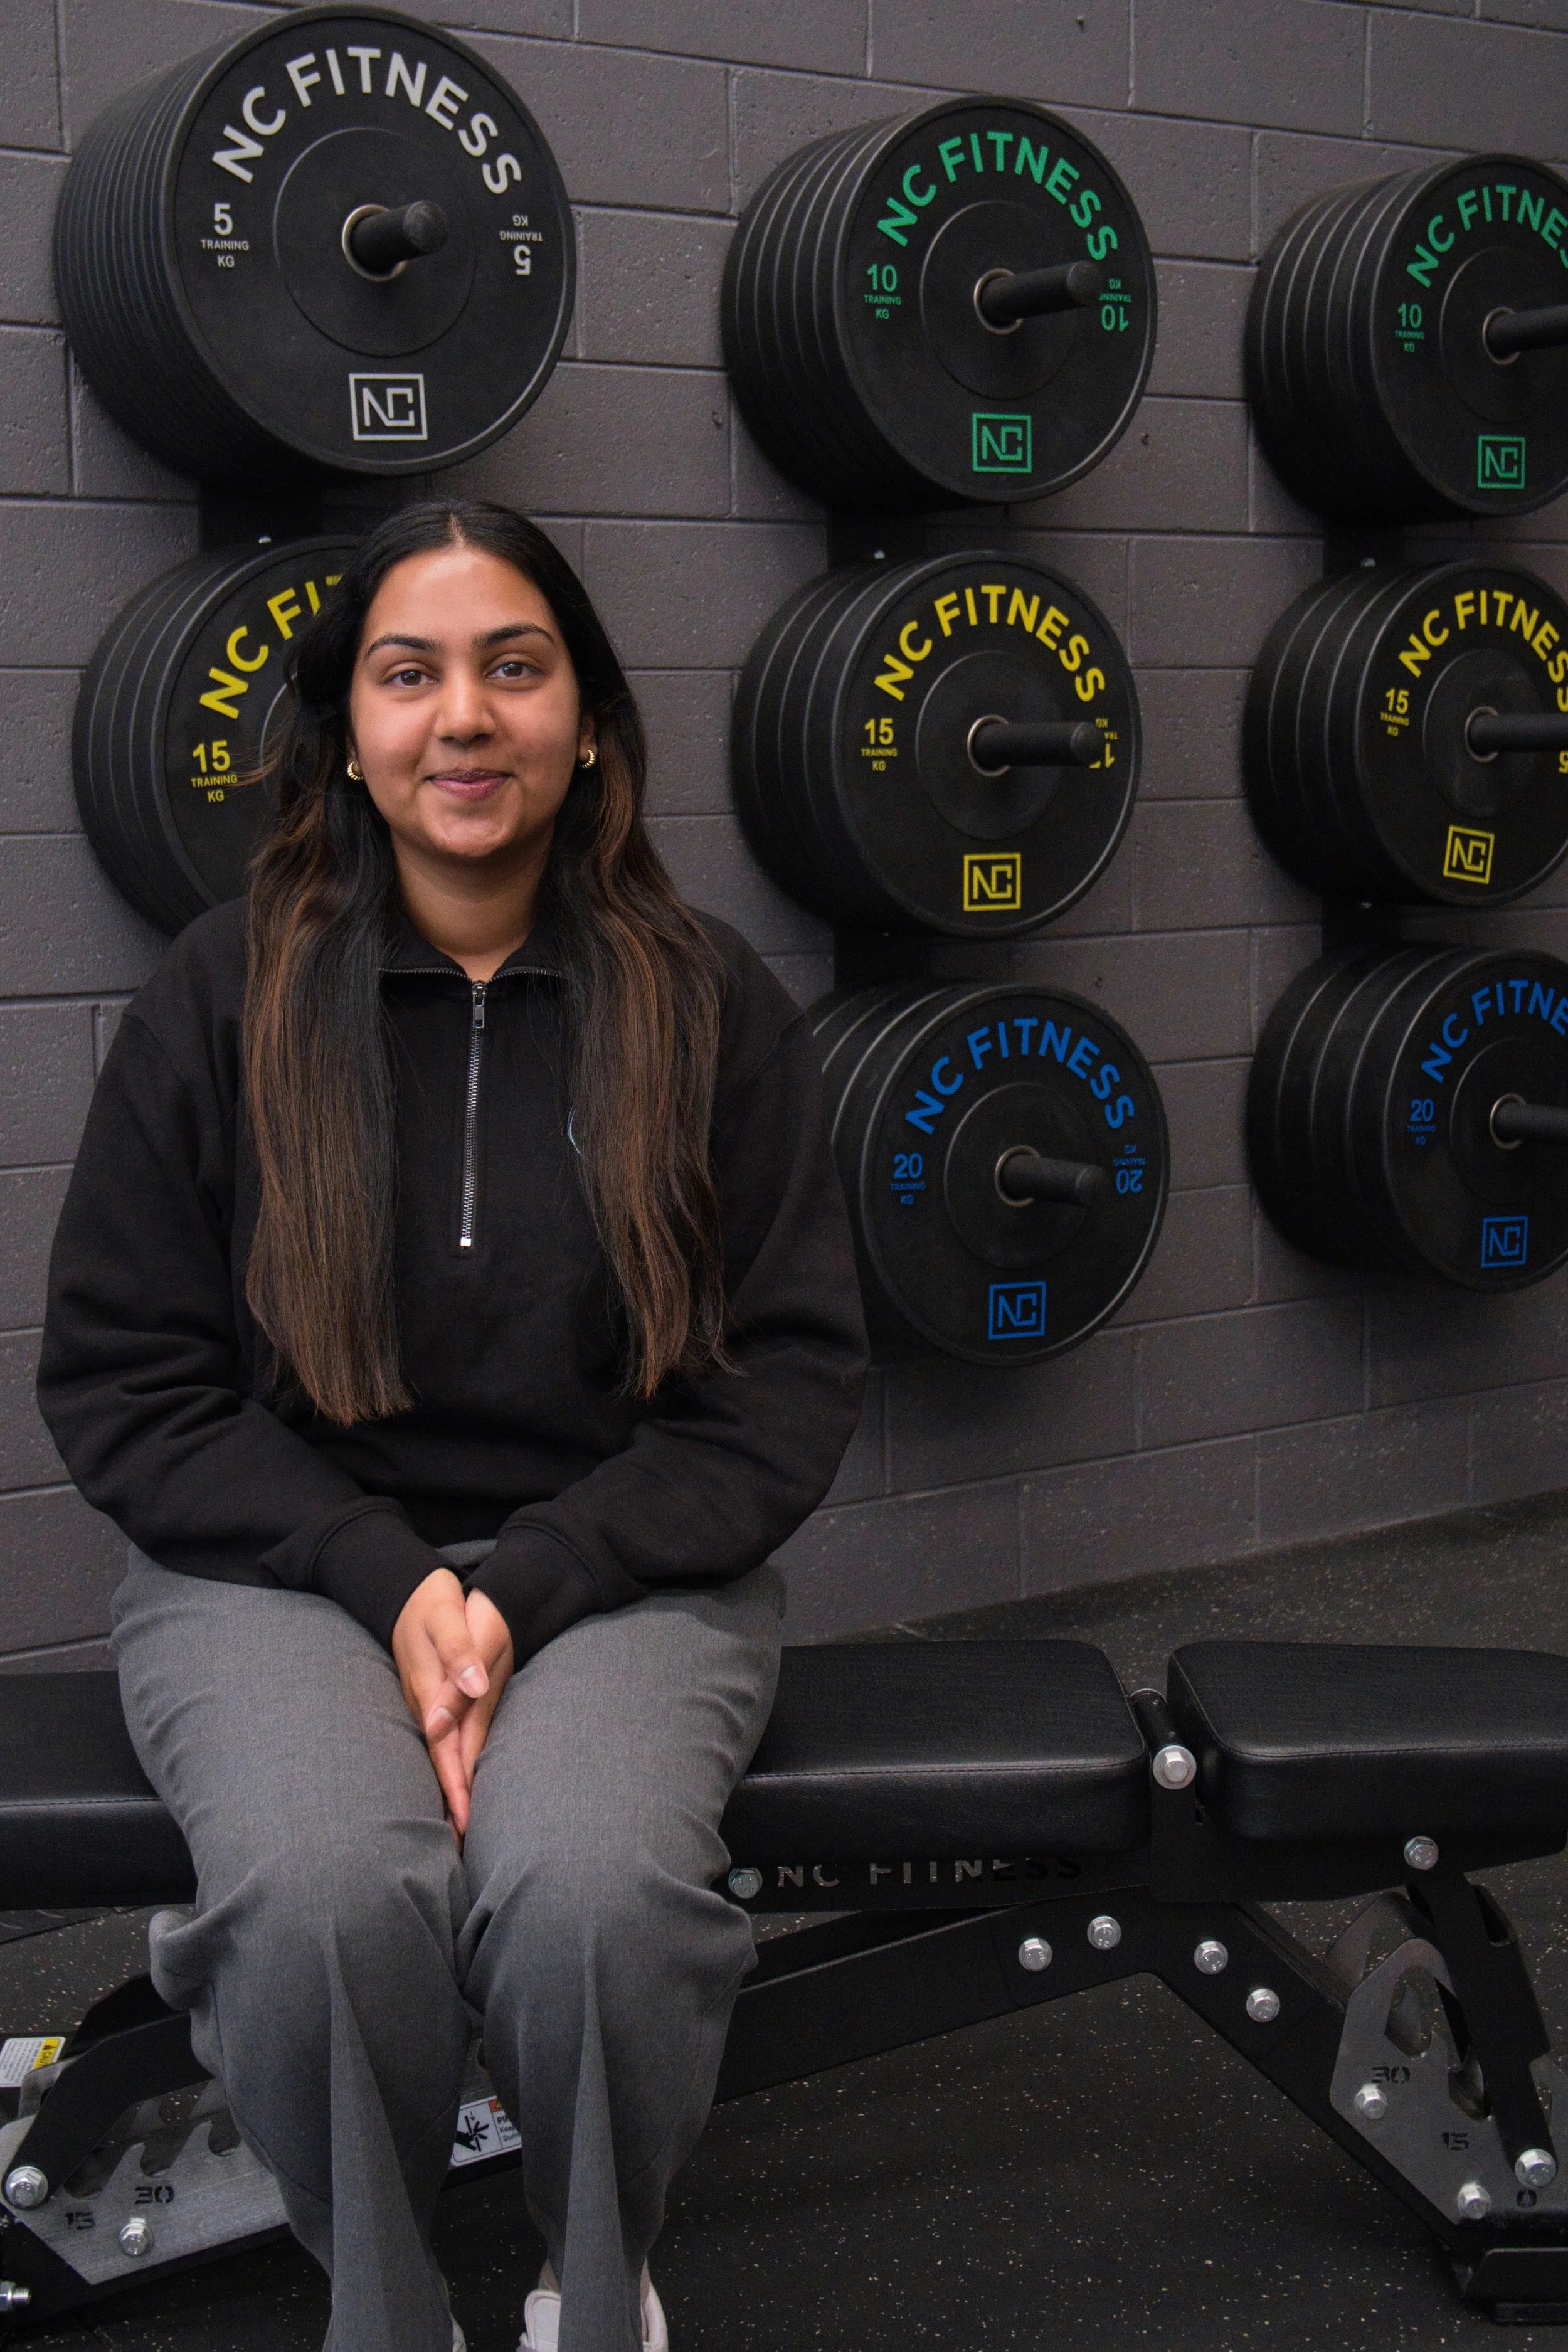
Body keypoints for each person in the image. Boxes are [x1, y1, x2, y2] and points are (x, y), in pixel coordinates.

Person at [36, 501, 869, 2352]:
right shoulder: (222, 994)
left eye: (515, 666)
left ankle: (596, 2282)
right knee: (328, 1898)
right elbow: (123, 1375)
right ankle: (388, 2312)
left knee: (589, 1896)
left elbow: (782, 1381)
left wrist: (538, 1578)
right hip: (275, 1566)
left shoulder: (708, 1000)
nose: (464, 718)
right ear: (345, 728)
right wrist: (383, 1573)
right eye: (410, 675)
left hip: (626, 1558)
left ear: (585, 718)